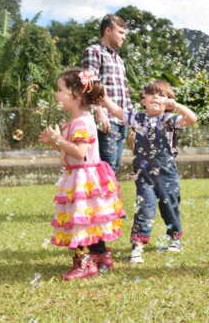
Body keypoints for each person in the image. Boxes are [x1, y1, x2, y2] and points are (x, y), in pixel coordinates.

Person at [38, 68, 125, 280]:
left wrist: (58, 140)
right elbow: (71, 153)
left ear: (75, 95)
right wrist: (55, 142)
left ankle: (85, 264)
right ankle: (101, 256)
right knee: (89, 219)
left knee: (80, 222)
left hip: (83, 179)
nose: (56, 94)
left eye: (60, 90)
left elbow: (79, 152)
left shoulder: (82, 122)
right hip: (79, 175)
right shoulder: (77, 121)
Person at [100, 79, 197, 264]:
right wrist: (104, 97)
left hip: (166, 173)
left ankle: (174, 237)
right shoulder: (138, 118)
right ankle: (138, 245)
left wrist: (176, 106)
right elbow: (116, 111)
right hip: (143, 174)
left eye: (162, 95)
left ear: (167, 101)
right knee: (144, 207)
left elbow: (192, 119)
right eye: (152, 94)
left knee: (170, 207)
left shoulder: (169, 120)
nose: (156, 97)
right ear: (143, 100)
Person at [82, 14, 131, 173]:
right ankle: (102, 198)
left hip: (121, 122)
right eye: (121, 32)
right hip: (106, 121)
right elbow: (89, 83)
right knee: (106, 168)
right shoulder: (94, 51)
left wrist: (131, 119)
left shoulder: (119, 59)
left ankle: (109, 198)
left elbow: (124, 91)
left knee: (114, 168)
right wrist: (99, 112)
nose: (124, 37)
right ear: (108, 30)